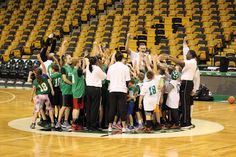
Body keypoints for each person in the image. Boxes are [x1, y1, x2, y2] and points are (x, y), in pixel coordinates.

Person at [165, 49, 198, 129]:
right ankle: (185, 121)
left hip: (187, 83)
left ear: (191, 55)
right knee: (185, 103)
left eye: (187, 54)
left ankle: (186, 123)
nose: (186, 55)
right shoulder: (192, 62)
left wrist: (169, 58)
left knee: (185, 103)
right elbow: (179, 62)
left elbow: (180, 62)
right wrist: (171, 57)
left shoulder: (192, 62)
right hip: (187, 83)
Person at [107, 52, 131, 133]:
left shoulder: (111, 67)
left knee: (112, 108)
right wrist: (126, 88)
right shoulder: (125, 67)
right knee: (122, 109)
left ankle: (110, 127)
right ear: (121, 58)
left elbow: (108, 79)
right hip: (122, 90)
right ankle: (124, 127)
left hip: (112, 89)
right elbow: (127, 80)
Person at [85, 56, 106, 131]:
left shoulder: (88, 67)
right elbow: (104, 77)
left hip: (88, 89)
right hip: (96, 89)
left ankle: (88, 125)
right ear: (96, 61)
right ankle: (93, 125)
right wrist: (101, 66)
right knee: (95, 108)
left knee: (89, 107)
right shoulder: (97, 68)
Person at [55, 54, 73, 130]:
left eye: (71, 58)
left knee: (68, 106)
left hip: (71, 90)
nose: (71, 59)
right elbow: (65, 79)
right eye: (69, 58)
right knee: (64, 106)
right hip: (66, 89)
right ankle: (58, 123)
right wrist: (73, 84)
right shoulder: (63, 68)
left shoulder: (71, 68)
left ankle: (66, 121)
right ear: (65, 60)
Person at [71, 58, 85, 130]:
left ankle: (75, 123)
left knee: (77, 108)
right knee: (76, 108)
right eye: (80, 62)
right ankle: (74, 123)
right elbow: (83, 70)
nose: (81, 63)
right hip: (78, 92)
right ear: (77, 63)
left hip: (76, 91)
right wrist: (85, 63)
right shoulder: (77, 70)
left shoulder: (74, 70)